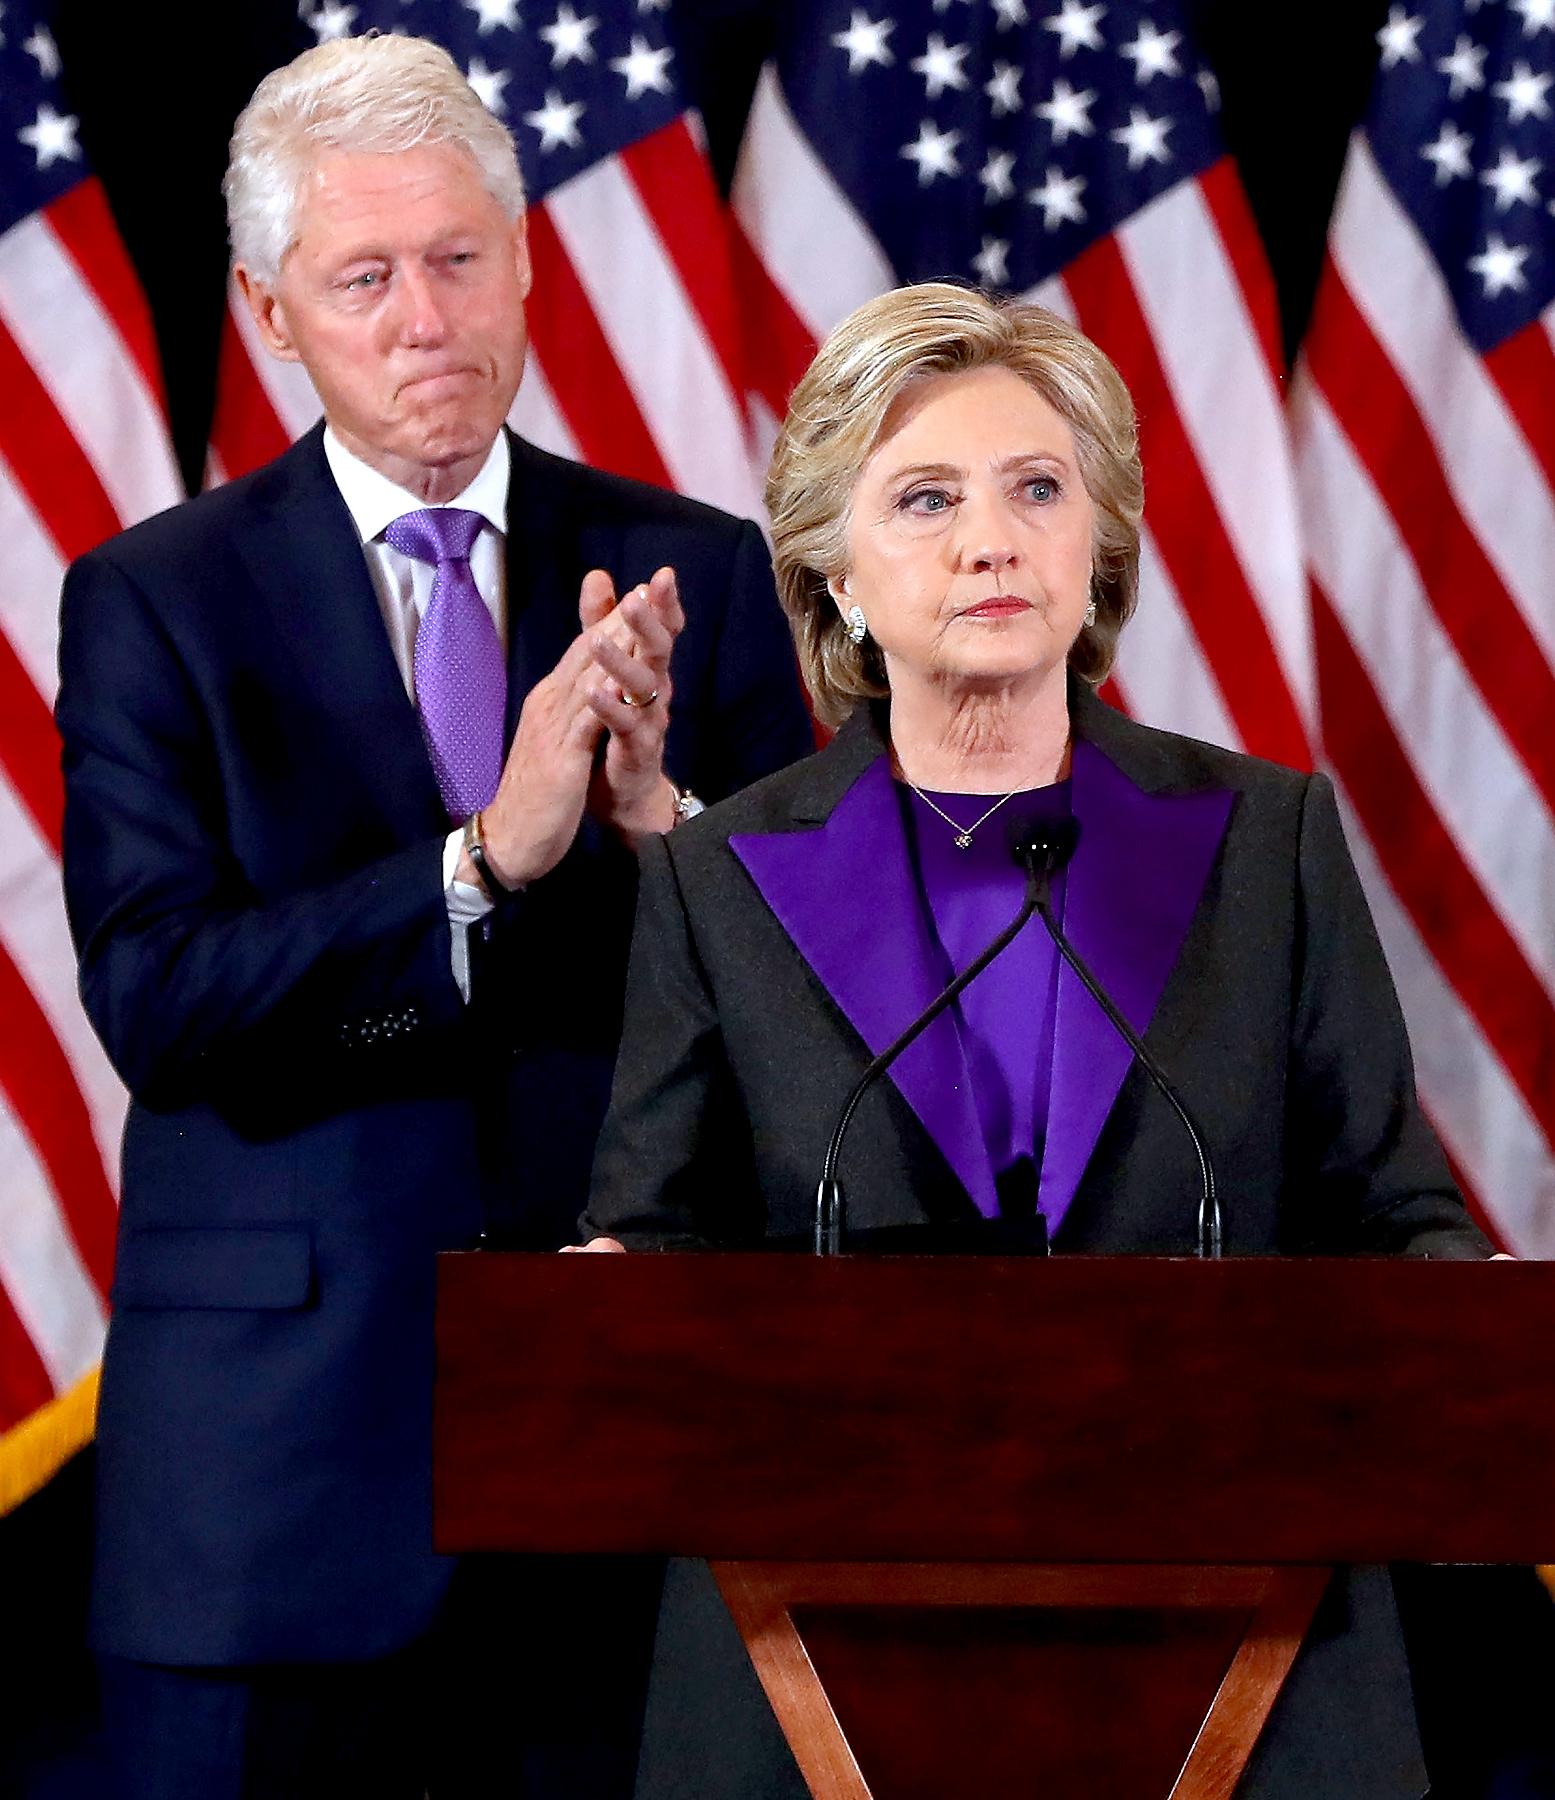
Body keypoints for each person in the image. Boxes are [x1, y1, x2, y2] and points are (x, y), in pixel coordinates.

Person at [580, 284, 1493, 1799]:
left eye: (1035, 490)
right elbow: (657, 1234)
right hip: (818, 1653)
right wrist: (607, 1299)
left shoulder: (1264, 838)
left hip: (1242, 1632)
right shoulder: (719, 878)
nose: (988, 538)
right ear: (837, 576)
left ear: (1094, 549)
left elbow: (1389, 1211)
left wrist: (1477, 1355)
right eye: (924, 498)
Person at [55, 32, 812, 1800]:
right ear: (269, 313)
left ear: (528, 261)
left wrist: (662, 828)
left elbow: (814, 1003)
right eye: (365, 278)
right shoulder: (155, 601)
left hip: (624, 1474)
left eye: (461, 260)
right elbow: (161, 1001)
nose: (424, 318)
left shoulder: (697, 573)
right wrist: (478, 863)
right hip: (271, 1501)